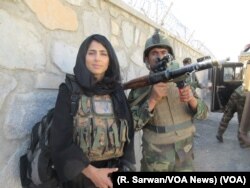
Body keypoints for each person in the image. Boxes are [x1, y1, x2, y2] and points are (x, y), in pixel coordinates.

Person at [50, 34, 135, 188]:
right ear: (83, 57)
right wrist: (92, 173)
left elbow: (129, 133)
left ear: (110, 60)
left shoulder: (117, 92)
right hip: (79, 177)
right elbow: (60, 140)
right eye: (91, 53)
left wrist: (127, 168)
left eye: (103, 54)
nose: (97, 58)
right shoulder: (69, 91)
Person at [128, 30, 208, 172]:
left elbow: (204, 114)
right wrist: (152, 100)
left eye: (164, 52)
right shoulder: (140, 88)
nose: (160, 57)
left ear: (170, 55)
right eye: (154, 53)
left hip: (185, 153)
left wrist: (191, 100)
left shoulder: (183, 80)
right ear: (146, 59)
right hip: (156, 159)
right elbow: (130, 125)